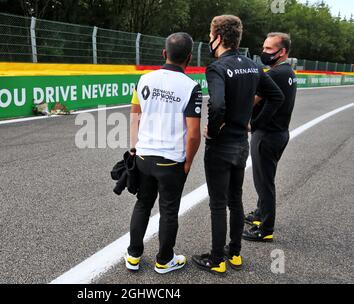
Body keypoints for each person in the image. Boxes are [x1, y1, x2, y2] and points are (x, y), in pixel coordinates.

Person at [192, 15, 284, 276]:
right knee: (235, 199)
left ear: (218, 37)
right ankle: (235, 254)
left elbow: (218, 104)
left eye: (211, 35)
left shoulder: (217, 68)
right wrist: (253, 123)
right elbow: (275, 95)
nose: (209, 40)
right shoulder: (253, 66)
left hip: (221, 145)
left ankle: (217, 259)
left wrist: (215, 125)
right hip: (241, 145)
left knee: (218, 203)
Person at [125, 32, 202, 274]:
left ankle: (133, 256)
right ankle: (164, 260)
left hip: (144, 156)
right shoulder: (192, 87)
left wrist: (134, 149)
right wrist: (188, 161)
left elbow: (134, 117)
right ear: (189, 57)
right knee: (169, 211)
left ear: (164, 53)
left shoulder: (144, 79)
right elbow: (193, 133)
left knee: (142, 205)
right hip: (171, 161)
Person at [243, 33, 297, 242]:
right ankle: (259, 214)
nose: (263, 53)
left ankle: (265, 229)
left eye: (268, 49)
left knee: (264, 183)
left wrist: (251, 124)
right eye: (263, 48)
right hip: (280, 132)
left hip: (267, 135)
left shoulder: (274, 74)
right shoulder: (287, 71)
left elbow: (251, 100)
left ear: (282, 52)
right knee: (266, 178)